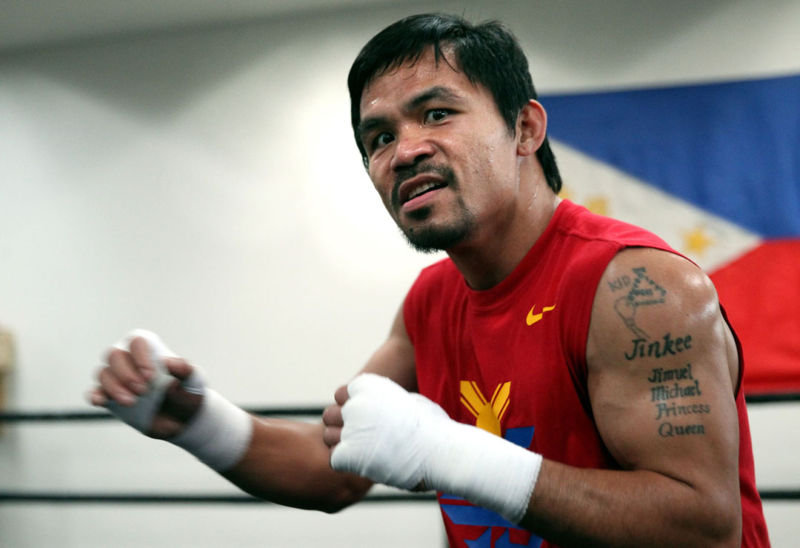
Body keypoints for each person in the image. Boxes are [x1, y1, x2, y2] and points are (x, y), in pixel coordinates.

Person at [89, 13, 770, 548]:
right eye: (378, 137)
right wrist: (196, 421)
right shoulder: (431, 303)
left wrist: (454, 454)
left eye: (437, 114)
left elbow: (702, 529)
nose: (403, 150)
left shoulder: (636, 290)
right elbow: (337, 468)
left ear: (524, 127)